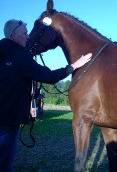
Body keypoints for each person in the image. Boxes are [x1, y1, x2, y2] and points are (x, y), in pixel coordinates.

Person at [0, 19, 92, 171]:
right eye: (25, 33)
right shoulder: (20, 57)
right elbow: (48, 76)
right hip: (8, 121)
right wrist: (73, 66)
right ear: (14, 35)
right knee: (4, 163)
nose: (28, 36)